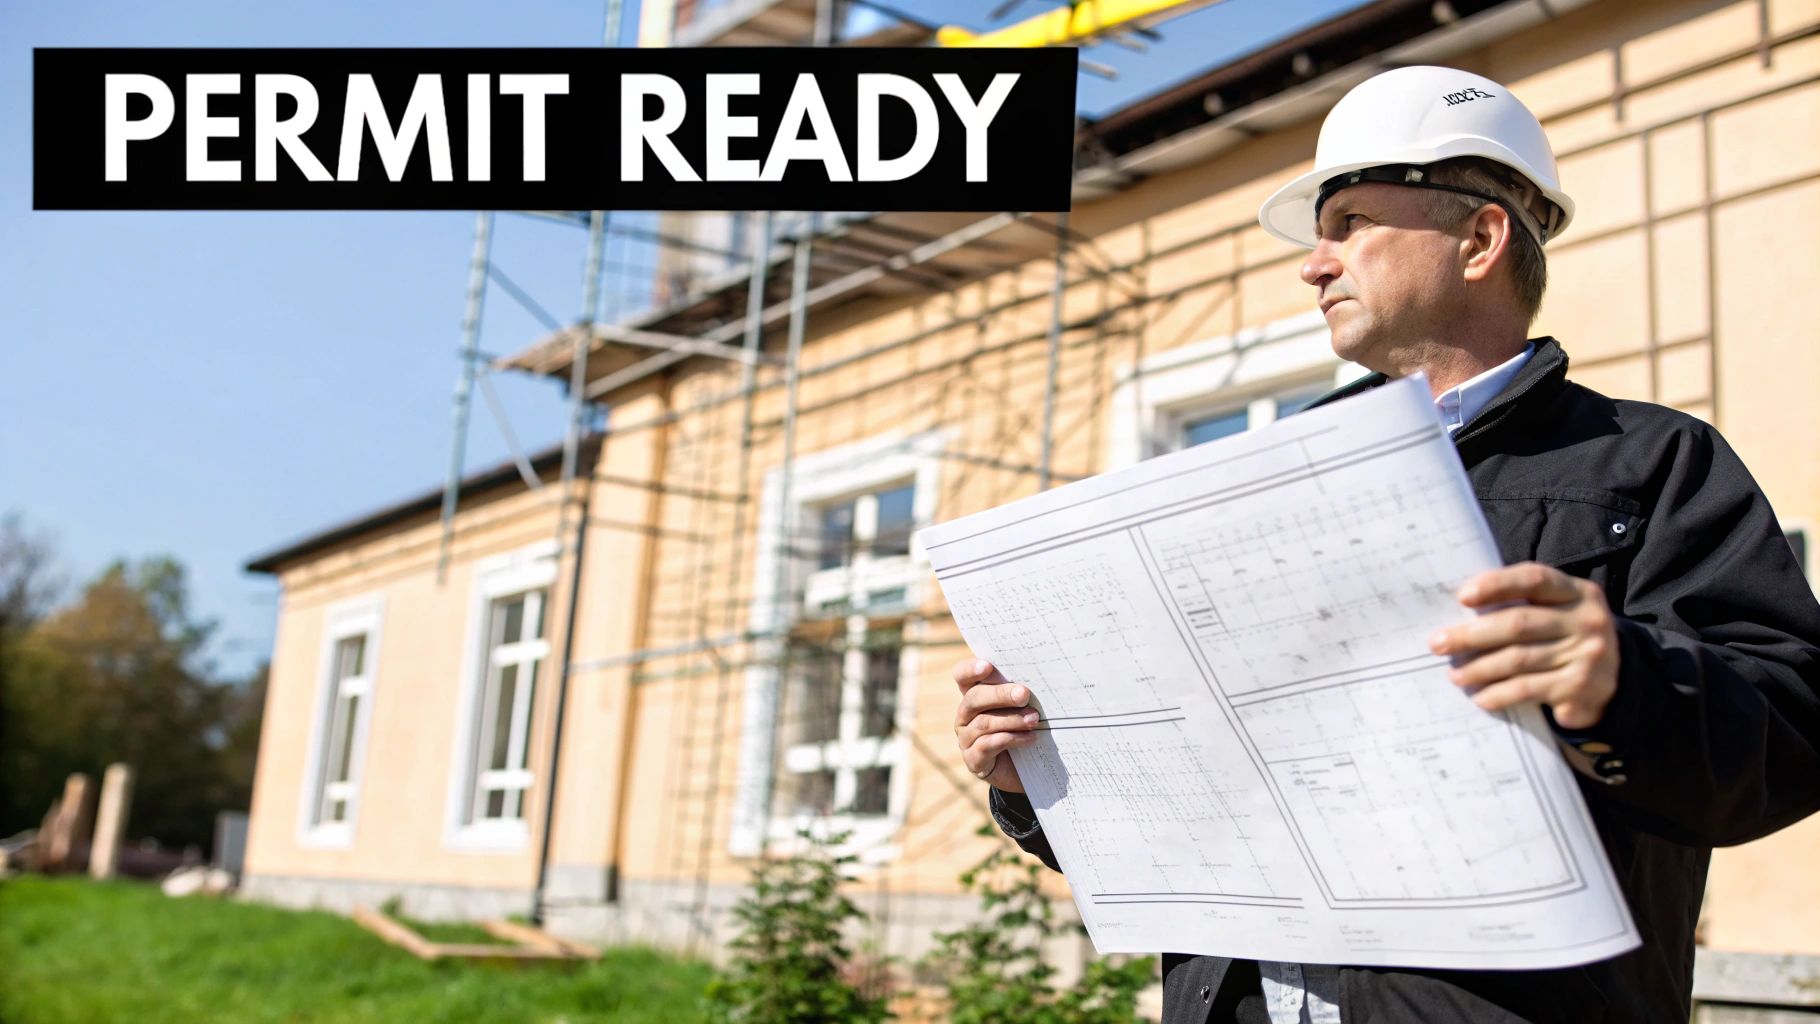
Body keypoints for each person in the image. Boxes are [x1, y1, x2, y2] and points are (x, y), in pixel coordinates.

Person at [951, 65, 1820, 1023]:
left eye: (1350, 224)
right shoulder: (1258, 482)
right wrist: (1037, 772)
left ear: (1481, 237)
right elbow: (1208, 802)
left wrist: (1624, 680)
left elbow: (1791, 742)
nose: (1314, 265)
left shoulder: (1654, 464)